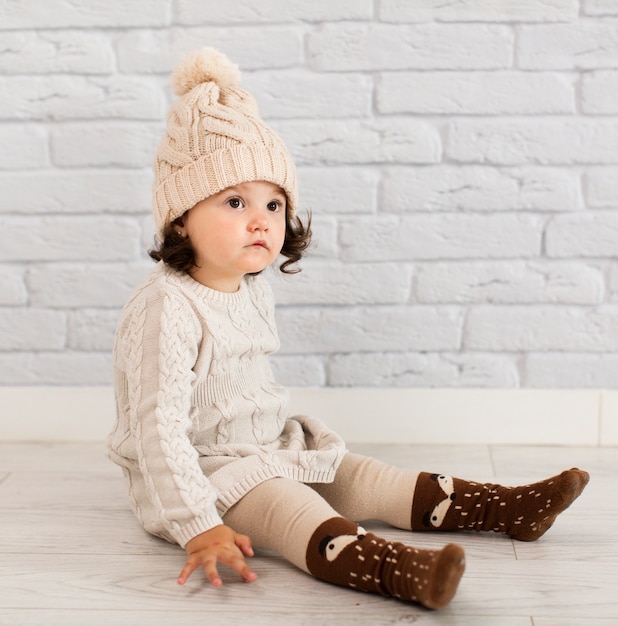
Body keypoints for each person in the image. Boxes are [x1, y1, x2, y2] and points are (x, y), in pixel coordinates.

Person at [107, 47, 589, 610]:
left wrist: (285, 443)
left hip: (264, 446)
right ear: (181, 218)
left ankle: (505, 508)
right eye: (234, 201)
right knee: (291, 505)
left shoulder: (247, 286)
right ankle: (399, 571)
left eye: (273, 203)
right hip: (201, 476)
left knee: (360, 474)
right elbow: (157, 434)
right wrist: (197, 524)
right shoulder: (165, 306)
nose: (261, 220)